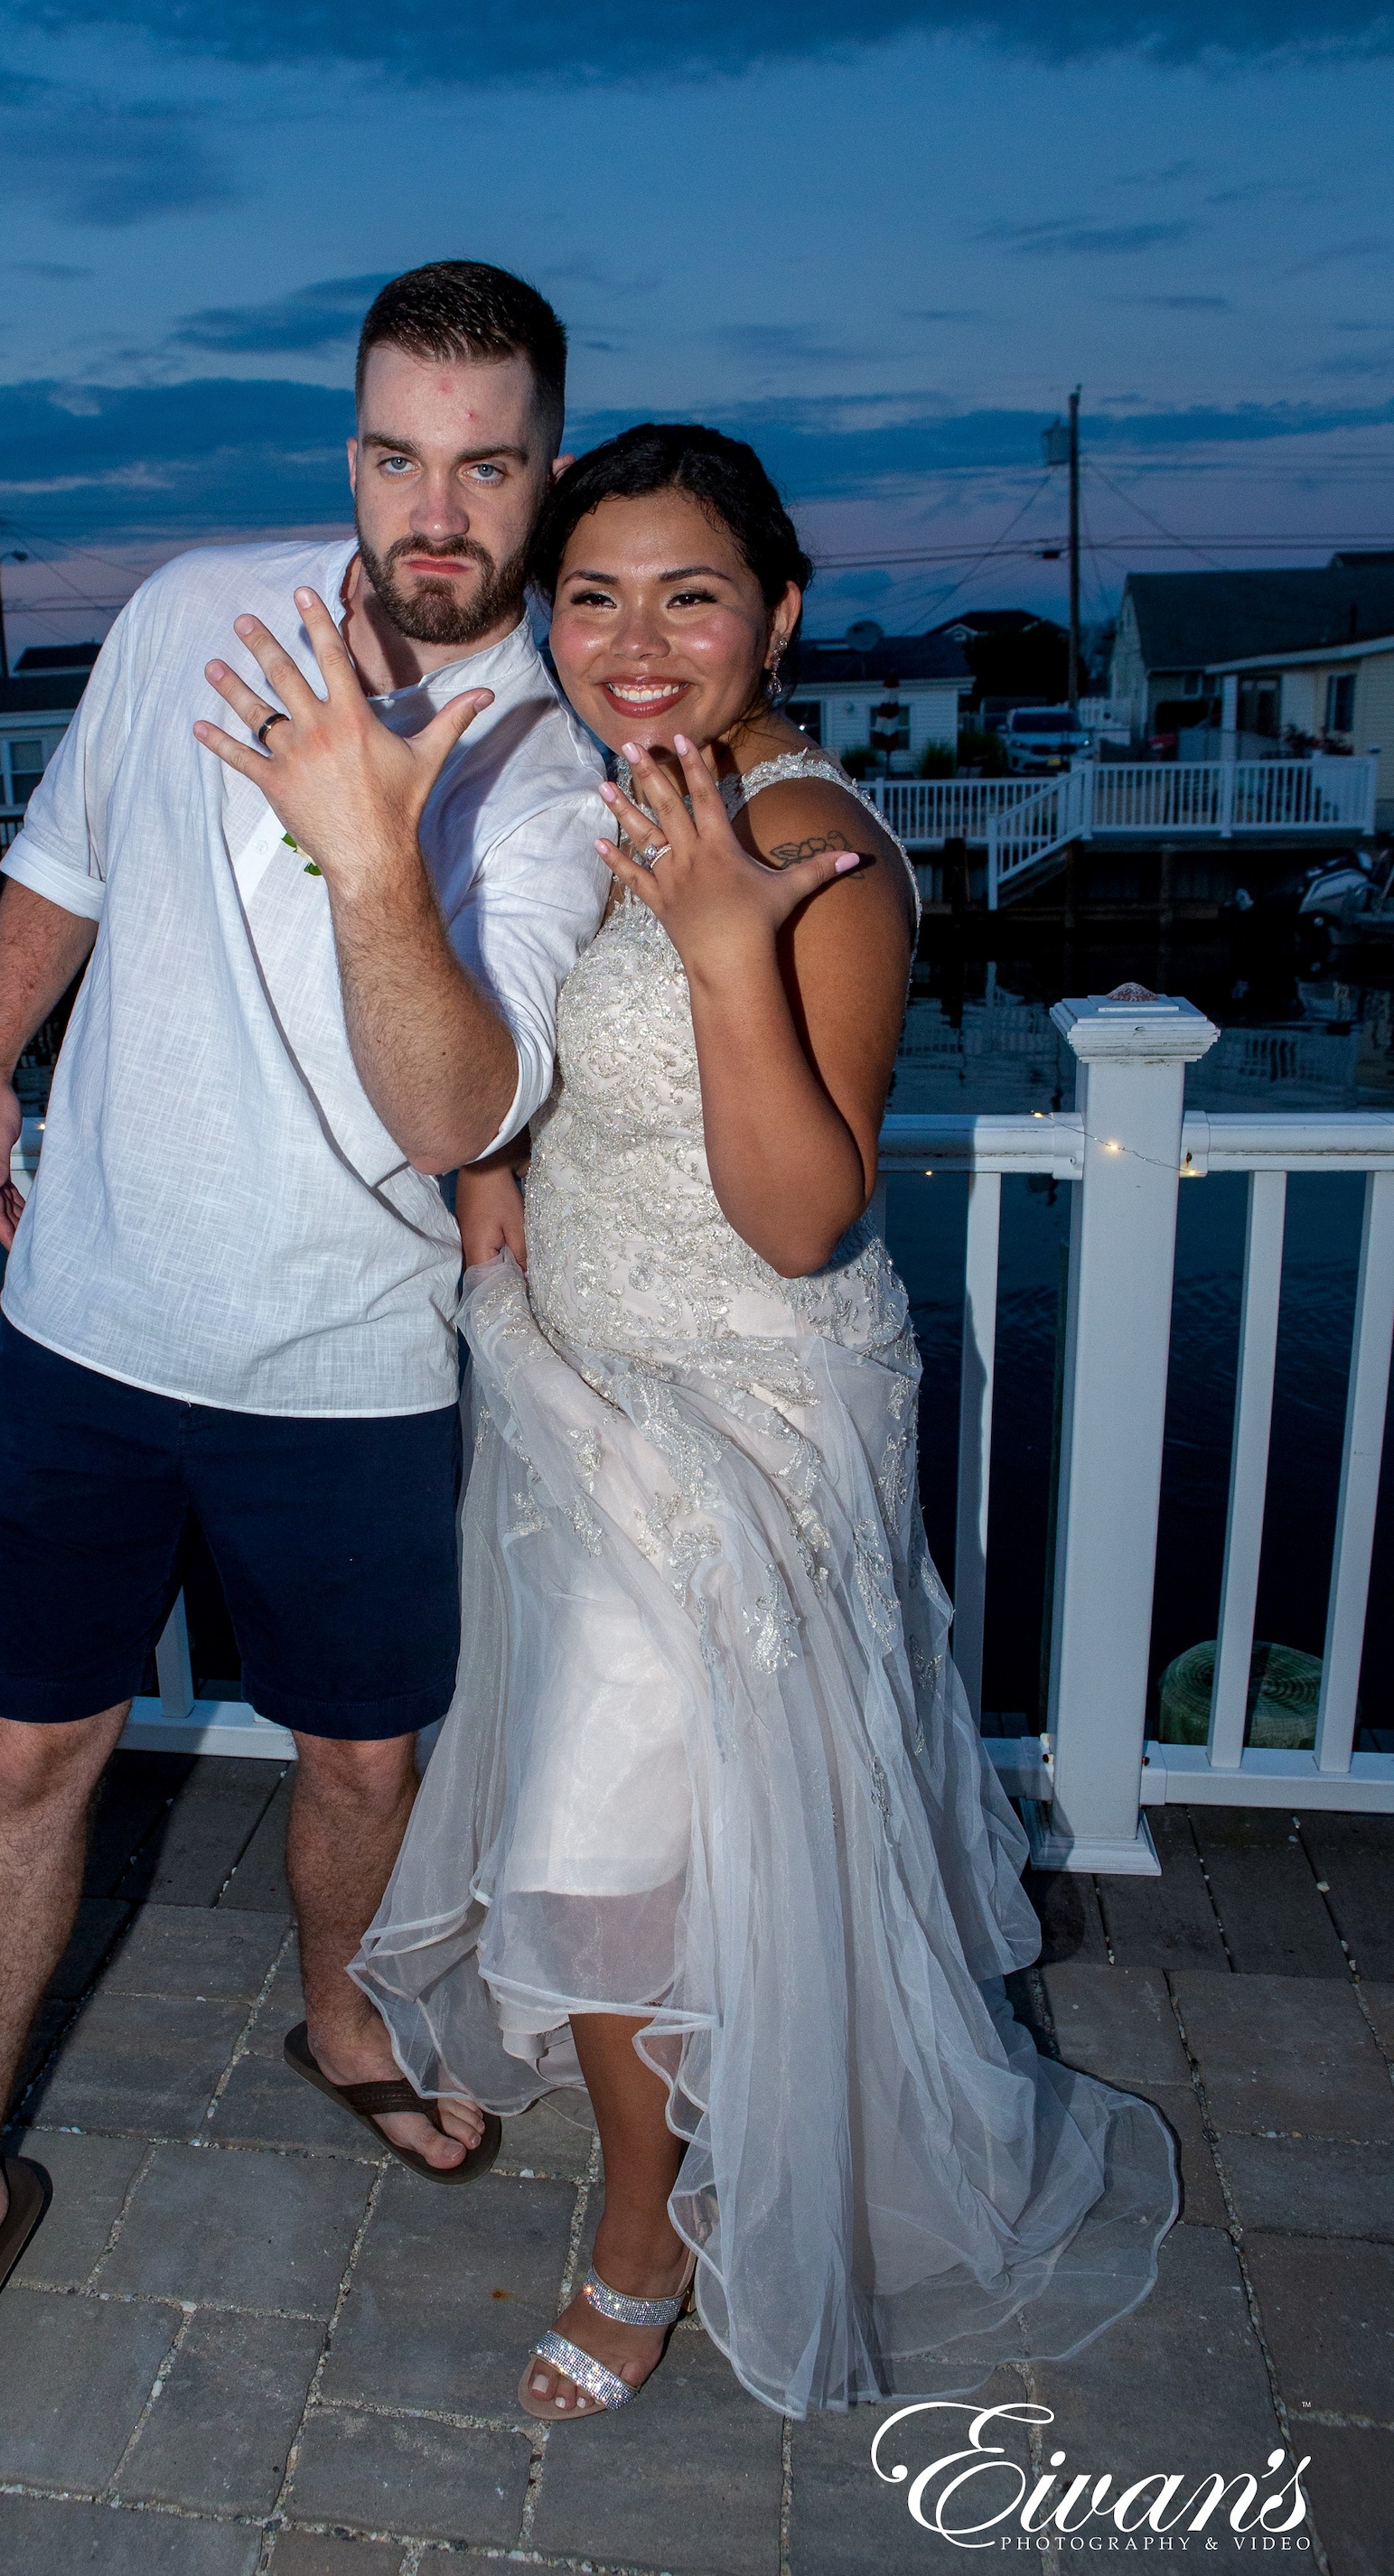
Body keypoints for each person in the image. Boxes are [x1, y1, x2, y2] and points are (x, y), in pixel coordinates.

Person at [0, 263, 610, 2463]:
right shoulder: (189, 607)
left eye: (487, 461)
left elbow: (459, 1109)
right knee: (21, 1763)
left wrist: (378, 850)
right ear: (344, 445)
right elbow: (69, 851)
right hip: (90, 1324)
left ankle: (338, 2014)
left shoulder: (549, 760)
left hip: (354, 1361)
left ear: (546, 467)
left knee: (357, 1769)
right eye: (393, 452)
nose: (433, 508)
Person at [354, 424, 1178, 2421]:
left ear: (777, 614)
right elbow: (513, 1071)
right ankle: (691, 2137)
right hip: (575, 1377)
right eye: (593, 594)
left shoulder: (814, 847)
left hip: (749, 1395)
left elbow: (805, 1216)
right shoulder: (575, 797)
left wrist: (725, 948)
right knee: (665, 1817)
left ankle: (641, 2244)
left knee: (601, 1830)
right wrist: (493, 1212)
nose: (636, 640)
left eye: (689, 593)